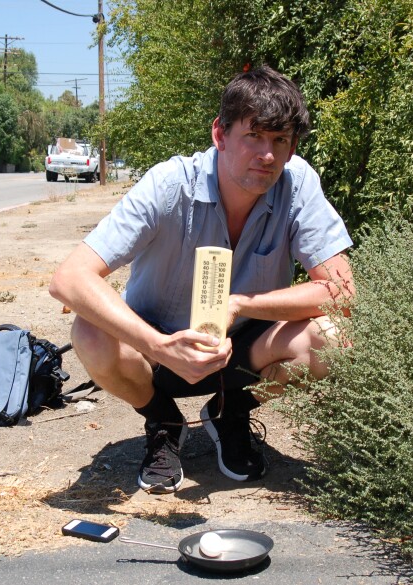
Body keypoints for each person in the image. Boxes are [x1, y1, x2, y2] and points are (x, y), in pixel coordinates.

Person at [49, 65, 355, 494]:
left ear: (292, 147)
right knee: (89, 331)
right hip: (156, 352)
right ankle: (164, 421)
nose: (267, 155)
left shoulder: (297, 183)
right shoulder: (169, 184)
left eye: (280, 140)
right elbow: (69, 279)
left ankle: (230, 414)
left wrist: (240, 305)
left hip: (246, 351)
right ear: (220, 135)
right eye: (254, 136)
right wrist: (158, 346)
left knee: (335, 337)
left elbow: (341, 290)